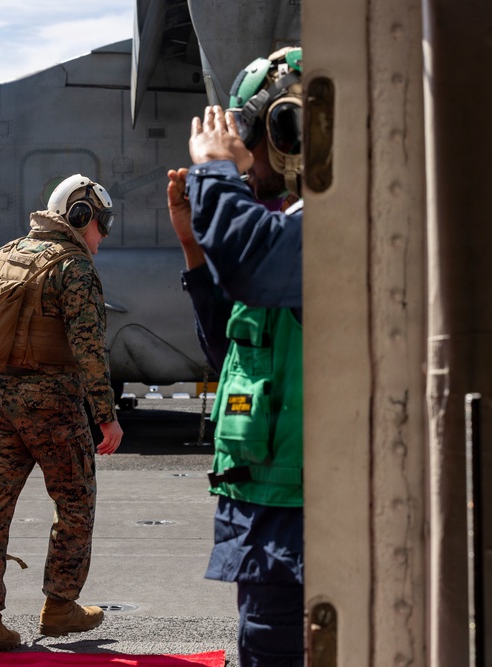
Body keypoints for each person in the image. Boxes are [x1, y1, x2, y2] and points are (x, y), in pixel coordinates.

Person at [0, 174, 124, 653]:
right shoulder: (74, 267)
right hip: (53, 407)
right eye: (101, 223)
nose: (102, 234)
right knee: (76, 502)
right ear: (79, 217)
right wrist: (106, 415)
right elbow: (89, 349)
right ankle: (60, 607)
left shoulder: (4, 255)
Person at [174, 47, 305, 666]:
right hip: (268, 511)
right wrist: (195, 252)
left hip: (306, 516)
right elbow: (229, 350)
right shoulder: (279, 230)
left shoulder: (331, 224)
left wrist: (215, 177)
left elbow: (253, 263)